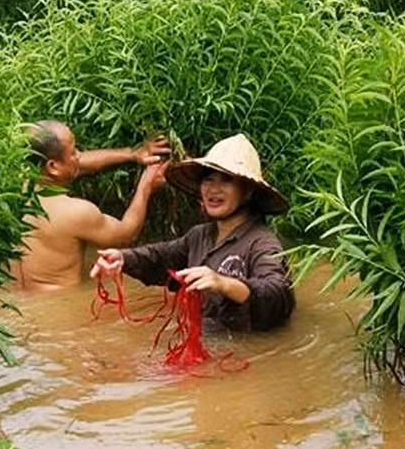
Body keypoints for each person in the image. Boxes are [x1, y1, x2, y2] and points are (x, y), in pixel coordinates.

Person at [90, 133, 295, 332]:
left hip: (241, 353)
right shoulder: (200, 235)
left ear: (248, 191)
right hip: (204, 334)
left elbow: (279, 296)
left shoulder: (262, 243)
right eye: (208, 179)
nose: (213, 189)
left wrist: (224, 283)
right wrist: (123, 259)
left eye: (226, 180)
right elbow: (161, 257)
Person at [10, 119, 170, 291]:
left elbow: (79, 163)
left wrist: (132, 154)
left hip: (20, 304)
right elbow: (126, 235)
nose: (79, 155)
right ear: (53, 166)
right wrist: (146, 185)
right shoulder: (75, 212)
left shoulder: (13, 191)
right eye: (73, 152)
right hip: (61, 306)